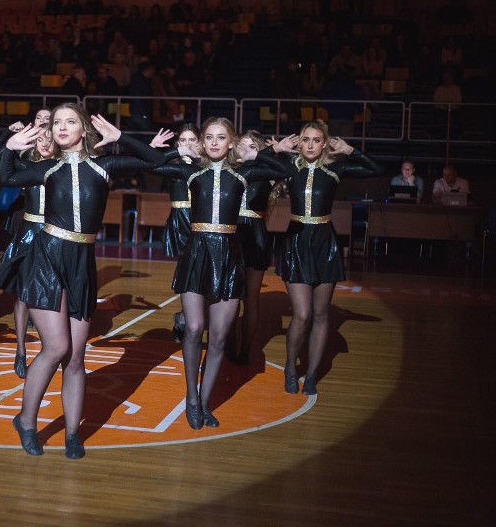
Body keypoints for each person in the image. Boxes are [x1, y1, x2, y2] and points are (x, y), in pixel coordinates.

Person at [0, 104, 167, 459]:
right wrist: (10, 150)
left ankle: (72, 433)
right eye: (57, 122)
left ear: (84, 129)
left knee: (76, 355)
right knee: (56, 348)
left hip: (81, 262)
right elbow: (8, 178)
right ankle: (26, 421)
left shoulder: (104, 165)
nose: (61, 127)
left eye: (69, 121)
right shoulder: (47, 167)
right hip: (45, 258)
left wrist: (122, 138)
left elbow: (156, 162)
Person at [154, 118, 288, 429]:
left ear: (231, 143)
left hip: (229, 257)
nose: (215, 142)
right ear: (202, 142)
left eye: (221, 137)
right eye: (209, 137)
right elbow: (152, 164)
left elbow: (288, 172)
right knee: (194, 327)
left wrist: (262, 154)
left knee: (218, 338)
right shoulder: (192, 171)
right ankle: (190, 396)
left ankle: (204, 401)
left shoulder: (244, 173)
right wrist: (168, 151)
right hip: (197, 253)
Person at [275, 121, 384, 396]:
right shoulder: (290, 166)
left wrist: (351, 150)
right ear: (299, 142)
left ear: (325, 144)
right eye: (306, 139)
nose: (310, 145)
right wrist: (276, 150)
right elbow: (256, 165)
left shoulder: (336, 169)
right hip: (297, 241)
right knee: (302, 313)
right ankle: (290, 367)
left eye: (316, 140)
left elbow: (377, 169)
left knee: (321, 314)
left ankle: (311, 374)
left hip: (325, 242)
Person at [0, 126, 58, 378]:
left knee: (53, 291)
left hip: (54, 235)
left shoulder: (64, 168)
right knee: (22, 296)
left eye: (49, 139)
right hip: (29, 234)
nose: (44, 144)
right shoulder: (27, 167)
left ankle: (50, 346)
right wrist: (9, 142)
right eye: (39, 139)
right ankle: (20, 350)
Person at [227, 131, 286, 365]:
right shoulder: (229, 169)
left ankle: (246, 350)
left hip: (256, 234)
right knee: (229, 295)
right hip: (231, 232)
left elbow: (287, 170)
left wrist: (269, 153)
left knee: (251, 298)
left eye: (253, 146)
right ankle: (228, 344)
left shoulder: (266, 172)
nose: (247, 150)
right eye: (243, 146)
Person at [161, 124, 201, 342]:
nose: (187, 145)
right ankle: (186, 318)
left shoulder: (205, 164)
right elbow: (152, 162)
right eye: (183, 141)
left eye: (192, 140)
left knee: (197, 275)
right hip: (179, 222)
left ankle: (184, 318)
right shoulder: (172, 164)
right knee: (189, 274)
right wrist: (175, 153)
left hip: (200, 222)